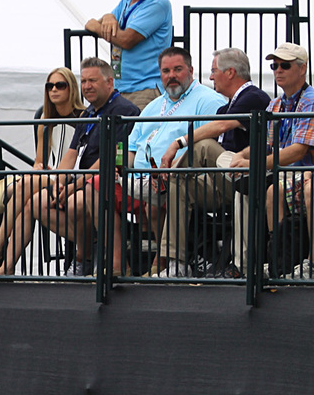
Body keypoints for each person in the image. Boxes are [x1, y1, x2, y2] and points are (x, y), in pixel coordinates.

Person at [15, 58, 140, 276]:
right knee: (36, 203)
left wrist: (74, 186)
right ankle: (91, 246)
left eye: (93, 81)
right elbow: (72, 153)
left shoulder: (125, 110)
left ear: (109, 82)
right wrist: (60, 182)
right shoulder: (88, 112)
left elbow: (110, 159)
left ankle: (85, 257)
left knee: (74, 204)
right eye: (84, 81)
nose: (87, 86)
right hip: (80, 181)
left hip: (106, 180)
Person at [157, 47, 270, 276]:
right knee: (178, 184)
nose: (209, 77)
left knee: (204, 145)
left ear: (230, 72)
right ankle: (175, 264)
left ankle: (164, 175)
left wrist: (178, 143)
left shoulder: (254, 97)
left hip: (249, 180)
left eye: (213, 71)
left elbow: (219, 127)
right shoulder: (224, 107)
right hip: (225, 182)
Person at [130, 48, 240, 277]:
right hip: (138, 179)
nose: (171, 75)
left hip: (192, 178)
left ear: (190, 70)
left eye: (177, 69)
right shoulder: (152, 106)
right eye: (166, 71)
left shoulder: (209, 101)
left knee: (163, 194)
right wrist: (126, 174)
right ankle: (115, 267)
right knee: (101, 188)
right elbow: (131, 147)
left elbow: (209, 149)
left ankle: (164, 264)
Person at [0, 67, 84, 274]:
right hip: (54, 178)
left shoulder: (83, 118)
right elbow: (39, 162)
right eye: (49, 86)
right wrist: (39, 168)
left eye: (60, 85)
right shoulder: (45, 121)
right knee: (26, 204)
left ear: (72, 89)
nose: (54, 90)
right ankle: (6, 267)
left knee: (25, 183)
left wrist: (42, 173)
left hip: (74, 179)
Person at [228, 43, 314, 278]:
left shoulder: (310, 100)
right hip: (285, 175)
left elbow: (298, 151)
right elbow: (264, 146)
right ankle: (277, 262)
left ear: (302, 68)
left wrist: (253, 162)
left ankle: (311, 263)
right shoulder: (275, 104)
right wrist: (242, 155)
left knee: (307, 190)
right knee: (264, 191)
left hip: (306, 172)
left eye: (284, 65)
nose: (278, 70)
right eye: (274, 65)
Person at [84, 0, 172, 110]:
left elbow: (127, 40)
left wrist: (97, 25)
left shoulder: (158, 3)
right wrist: (108, 16)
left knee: (138, 134)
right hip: (122, 87)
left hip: (146, 89)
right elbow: (107, 21)